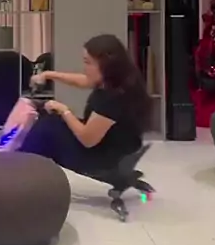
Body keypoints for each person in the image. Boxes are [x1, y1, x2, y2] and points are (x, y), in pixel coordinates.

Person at [20, 34, 151, 176]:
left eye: (88, 62)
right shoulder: (120, 80)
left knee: (48, 128)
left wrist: (64, 111)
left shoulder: (111, 98)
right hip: (112, 149)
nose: (85, 68)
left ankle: (20, 169)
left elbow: (87, 139)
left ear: (105, 64)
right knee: (51, 121)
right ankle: (27, 166)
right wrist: (48, 74)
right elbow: (84, 81)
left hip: (103, 160)